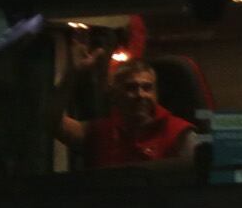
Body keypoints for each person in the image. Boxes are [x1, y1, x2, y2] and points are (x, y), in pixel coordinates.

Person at [56, 58, 197, 168]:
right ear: (115, 95)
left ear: (156, 94)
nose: (141, 94)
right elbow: (53, 121)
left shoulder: (180, 134)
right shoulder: (100, 132)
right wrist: (72, 72)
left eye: (147, 88)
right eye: (131, 88)